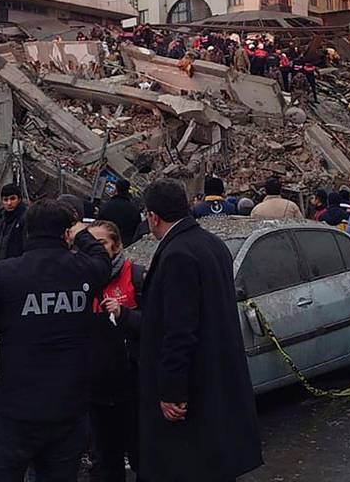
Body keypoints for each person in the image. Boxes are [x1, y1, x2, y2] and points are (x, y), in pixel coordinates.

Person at [0, 200, 112, 482]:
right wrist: (81, 232)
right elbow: (102, 258)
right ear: (65, 234)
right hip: (68, 409)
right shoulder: (82, 269)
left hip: (15, 408)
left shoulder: (5, 274)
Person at [136, 180, 262, 481]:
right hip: (217, 377)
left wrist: (171, 390)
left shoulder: (177, 254)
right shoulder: (211, 244)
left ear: (153, 217)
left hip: (195, 389)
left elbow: (179, 330)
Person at [87, 221, 145, 482]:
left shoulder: (136, 275)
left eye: (100, 244)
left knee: (142, 456)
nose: (95, 251)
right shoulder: (82, 281)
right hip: (96, 391)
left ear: (117, 245)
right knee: (105, 463)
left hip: (134, 385)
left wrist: (125, 315)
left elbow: (155, 323)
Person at [0, 183, 26, 266]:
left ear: (19, 199)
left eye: (12, 199)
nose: (9, 203)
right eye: (6, 199)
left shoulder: (25, 220)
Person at [99, 179, 142, 248]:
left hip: (106, 244)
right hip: (125, 246)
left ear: (116, 190)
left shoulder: (107, 206)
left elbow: (99, 224)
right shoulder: (134, 210)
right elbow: (138, 229)